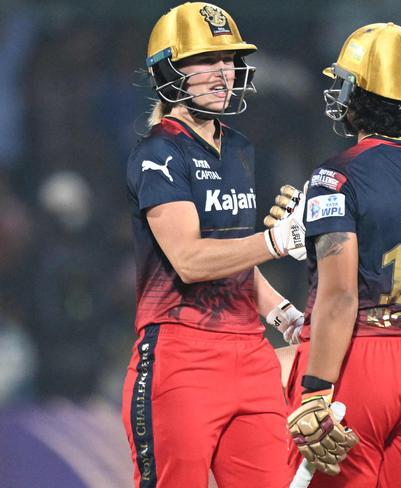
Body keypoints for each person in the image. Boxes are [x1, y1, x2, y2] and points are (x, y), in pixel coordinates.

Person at [121, 3, 305, 487]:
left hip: (251, 351)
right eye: (206, 60)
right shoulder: (158, 153)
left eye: (229, 59)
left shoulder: (240, 147)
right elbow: (190, 260)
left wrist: (283, 313)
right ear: (169, 72)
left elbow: (235, 253)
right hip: (183, 357)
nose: (223, 72)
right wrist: (277, 240)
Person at [275, 22, 401, 487]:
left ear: (363, 96)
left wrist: (316, 390)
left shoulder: (335, 174)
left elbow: (340, 296)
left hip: (360, 359)